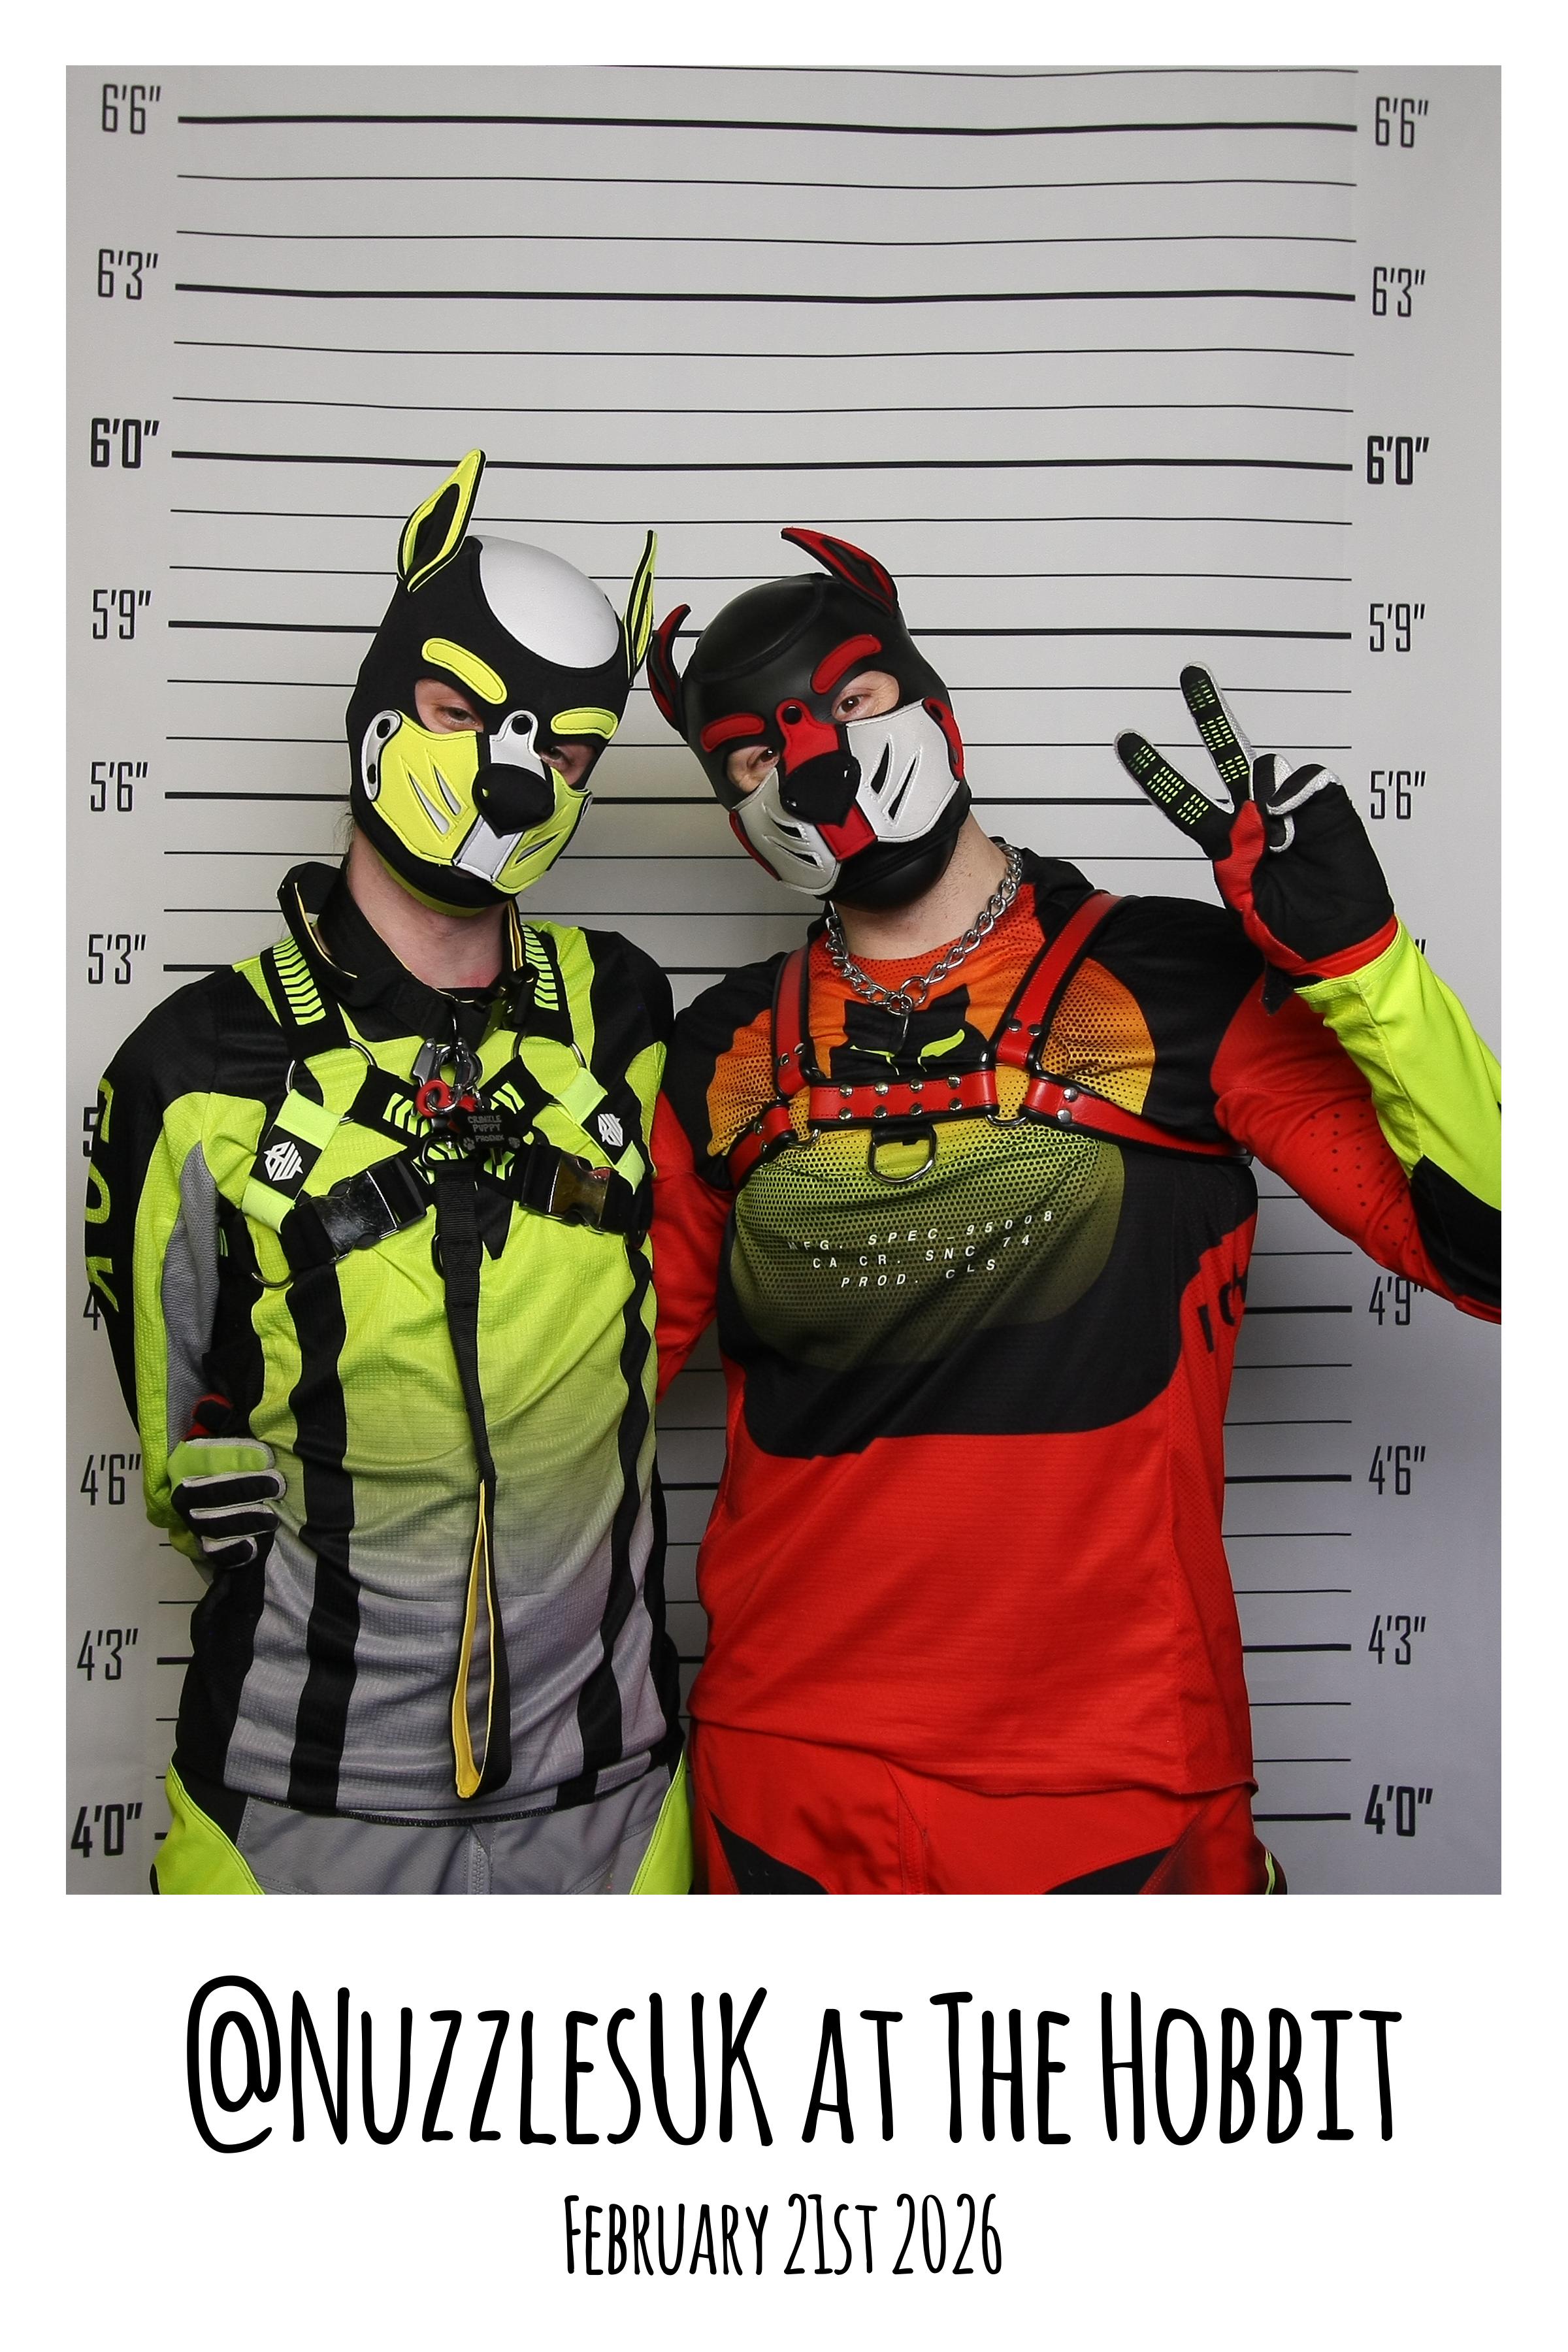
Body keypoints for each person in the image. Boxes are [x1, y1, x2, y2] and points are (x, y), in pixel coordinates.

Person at [645, 528, 1500, 1895]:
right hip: (786, 1775)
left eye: (853, 700)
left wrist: (1366, 968)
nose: (810, 765)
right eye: (749, 759)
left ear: (938, 711)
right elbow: (586, 1390)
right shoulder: (720, 1051)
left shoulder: (1175, 978)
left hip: (1117, 1775)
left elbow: (1499, 1253)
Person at [86, 449, 691, 1895]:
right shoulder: (188, 1068)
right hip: (293, 1804)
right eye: (460, 710)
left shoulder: (627, 1016)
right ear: (381, 700)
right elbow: (183, 1451)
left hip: (609, 1800)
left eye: (569, 751)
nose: (513, 772)